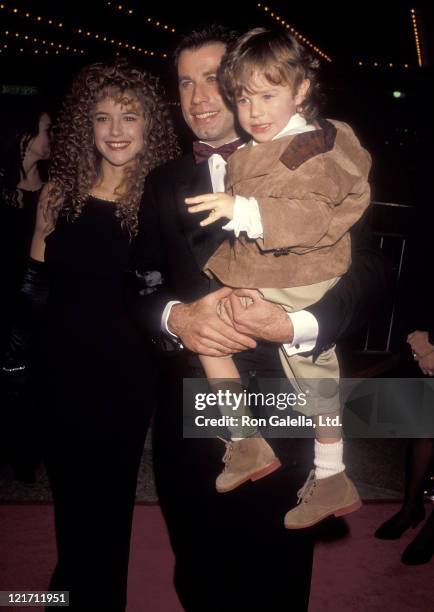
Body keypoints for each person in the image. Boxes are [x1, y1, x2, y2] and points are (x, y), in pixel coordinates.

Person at [132, 25, 390, 611]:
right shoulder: (164, 180)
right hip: (196, 405)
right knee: (197, 573)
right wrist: (176, 318)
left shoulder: (317, 154)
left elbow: (369, 267)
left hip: (286, 394)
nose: (200, 98)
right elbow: (138, 280)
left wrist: (298, 326)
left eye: (216, 81)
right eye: (184, 84)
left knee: (273, 579)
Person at [185, 27, 369, 527]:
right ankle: (247, 443)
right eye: (244, 99)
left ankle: (331, 476)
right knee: (211, 337)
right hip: (266, 270)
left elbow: (307, 220)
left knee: (312, 379)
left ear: (301, 90)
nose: (255, 111)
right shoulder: (262, 144)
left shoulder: (310, 147)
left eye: (268, 96)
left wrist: (239, 207)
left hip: (300, 273)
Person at [29, 58, 178, 611]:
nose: (115, 131)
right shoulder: (58, 193)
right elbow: (35, 289)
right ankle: (67, 595)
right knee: (69, 501)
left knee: (108, 502)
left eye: (130, 117)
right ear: (84, 127)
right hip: (58, 370)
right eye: (101, 118)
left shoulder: (161, 202)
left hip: (125, 378)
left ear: (150, 126)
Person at [375, 208, 434, 565]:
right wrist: (419, 337)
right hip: (427, 332)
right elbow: (418, 271)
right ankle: (411, 507)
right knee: (423, 424)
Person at [0, 100, 52, 481]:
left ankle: (31, 457)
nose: (52, 138)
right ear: (24, 137)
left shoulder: (52, 185)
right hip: (6, 302)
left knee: (38, 383)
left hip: (42, 300)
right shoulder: (2, 190)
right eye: (46, 130)